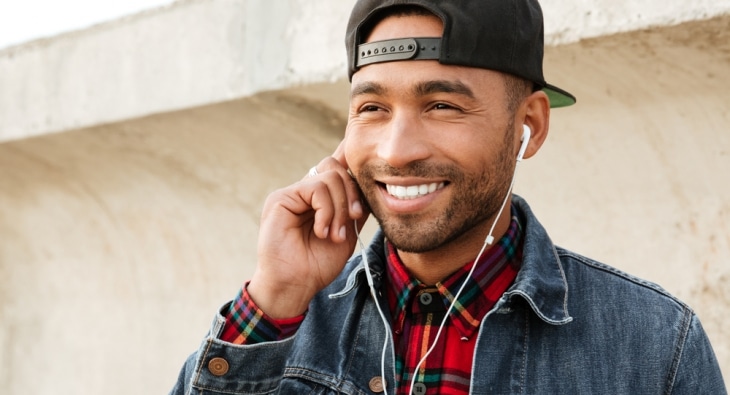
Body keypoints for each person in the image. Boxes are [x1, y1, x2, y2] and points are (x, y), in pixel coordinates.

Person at [171, 0, 727, 394]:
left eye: (442, 106)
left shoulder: (653, 346)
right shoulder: (281, 320)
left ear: (528, 125)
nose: (397, 150)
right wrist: (275, 298)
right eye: (372, 109)